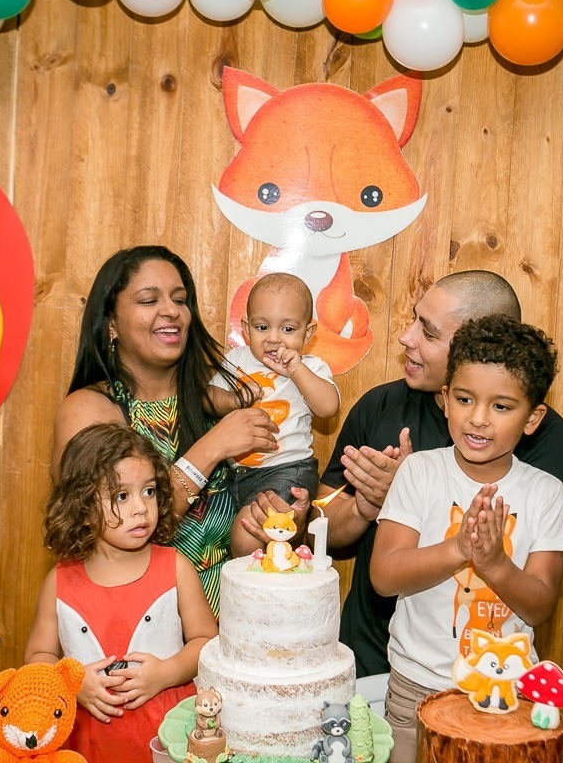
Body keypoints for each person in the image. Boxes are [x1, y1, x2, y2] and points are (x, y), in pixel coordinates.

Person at [317, 271, 563, 678]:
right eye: (415, 319)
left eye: (429, 332)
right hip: (374, 659)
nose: (406, 337)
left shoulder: (544, 440)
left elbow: (537, 585)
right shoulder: (380, 406)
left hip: (491, 674)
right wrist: (366, 506)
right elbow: (321, 529)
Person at [370, 315, 563, 761]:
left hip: (508, 695)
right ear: (445, 399)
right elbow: (384, 576)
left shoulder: (544, 492)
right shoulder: (420, 472)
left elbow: (539, 604)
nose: (477, 419)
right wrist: (458, 548)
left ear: (533, 417)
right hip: (415, 689)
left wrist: (495, 563)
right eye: (464, 399)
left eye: (501, 406)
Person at [53, 245, 279, 613]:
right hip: (138, 631)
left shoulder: (218, 400)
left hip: (232, 627)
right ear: (111, 323)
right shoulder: (89, 409)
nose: (171, 310)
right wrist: (210, 449)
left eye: (180, 299)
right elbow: (104, 528)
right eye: (148, 300)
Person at [26, 423, 218, 763]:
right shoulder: (59, 581)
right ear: (82, 508)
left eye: (148, 491)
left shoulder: (175, 568)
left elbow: (207, 641)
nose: (141, 508)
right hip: (86, 742)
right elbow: (38, 657)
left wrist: (166, 673)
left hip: (165, 736)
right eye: (121, 496)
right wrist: (71, 682)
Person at [208, 273, 339, 556]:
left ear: (308, 333)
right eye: (263, 327)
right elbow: (209, 398)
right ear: (246, 328)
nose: (274, 338)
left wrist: (296, 372)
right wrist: (232, 399)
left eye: (288, 329)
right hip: (236, 474)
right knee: (228, 534)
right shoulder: (236, 359)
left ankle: (256, 593)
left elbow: (328, 408)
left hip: (286, 470)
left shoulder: (310, 367)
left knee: (246, 537)